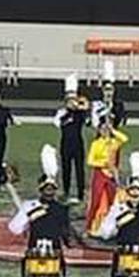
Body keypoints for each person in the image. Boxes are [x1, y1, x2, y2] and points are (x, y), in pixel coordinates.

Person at [8, 145, 74, 277]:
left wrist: (68, 241)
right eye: (46, 188)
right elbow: (14, 228)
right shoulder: (30, 206)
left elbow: (66, 235)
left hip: (54, 254)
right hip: (33, 252)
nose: (49, 191)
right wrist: (29, 215)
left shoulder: (61, 209)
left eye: (52, 188)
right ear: (40, 188)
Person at [85, 115, 128, 236]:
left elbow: (124, 139)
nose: (104, 131)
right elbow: (90, 161)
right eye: (102, 129)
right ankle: (89, 226)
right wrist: (103, 163)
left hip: (111, 174)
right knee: (96, 199)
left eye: (106, 129)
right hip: (100, 172)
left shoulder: (113, 142)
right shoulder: (96, 143)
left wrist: (113, 130)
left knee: (111, 198)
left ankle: (107, 225)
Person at [54, 74, 89, 202]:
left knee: (80, 169)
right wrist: (68, 112)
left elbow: (88, 120)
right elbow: (58, 123)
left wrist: (80, 107)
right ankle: (66, 191)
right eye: (69, 100)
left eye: (73, 99)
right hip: (65, 143)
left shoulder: (80, 113)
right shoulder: (61, 113)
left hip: (78, 143)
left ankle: (80, 193)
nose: (71, 102)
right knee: (66, 168)